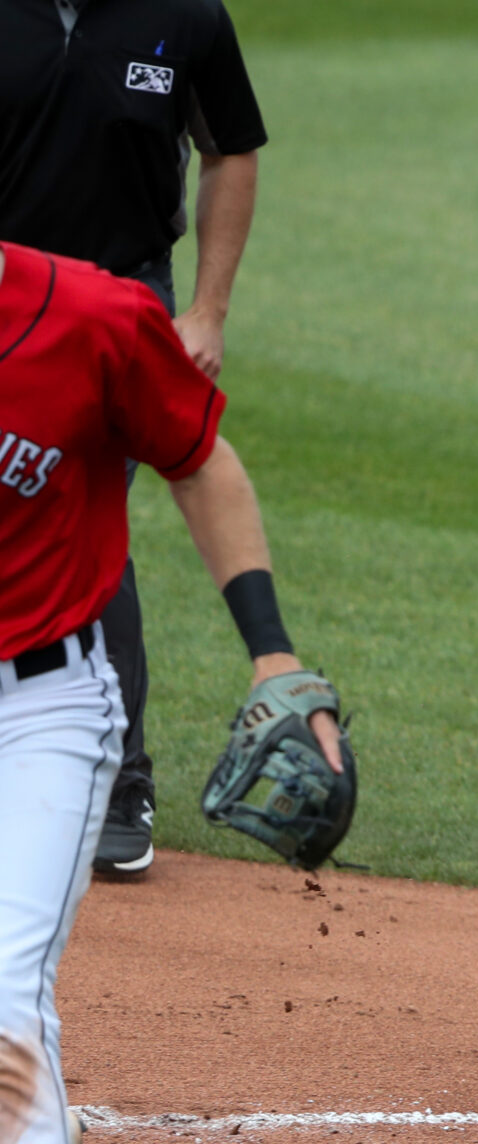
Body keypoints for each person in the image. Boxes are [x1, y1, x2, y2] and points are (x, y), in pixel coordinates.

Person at [0, 241, 337, 1144]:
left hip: (40, 711)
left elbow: (198, 463)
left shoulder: (94, 319)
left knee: (3, 993)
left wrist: (273, 656)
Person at [0, 0, 270, 874]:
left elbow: (230, 149)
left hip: (117, 317)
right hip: (5, 303)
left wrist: (208, 309)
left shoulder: (184, 13)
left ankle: (117, 782)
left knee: (72, 520)